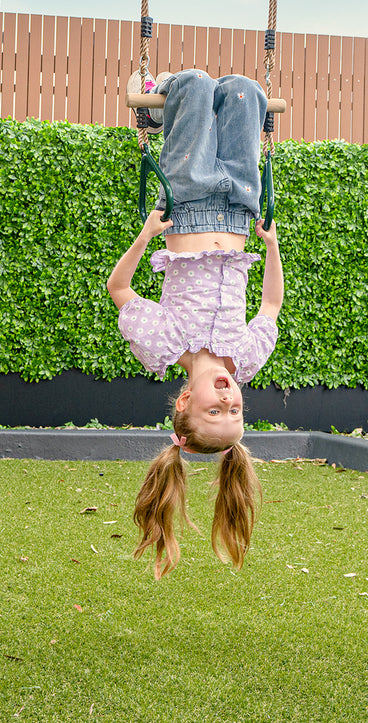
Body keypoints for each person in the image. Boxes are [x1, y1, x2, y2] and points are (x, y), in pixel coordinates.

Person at [107, 69, 284, 578]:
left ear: (185, 403)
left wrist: (145, 236)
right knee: (245, 91)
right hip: (239, 210)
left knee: (195, 84)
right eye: (236, 411)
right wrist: (270, 248)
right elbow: (269, 306)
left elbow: (120, 290)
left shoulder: (161, 347)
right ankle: (188, 99)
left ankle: (162, 103)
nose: (229, 400)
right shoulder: (246, 359)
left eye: (215, 412)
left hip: (183, 207)